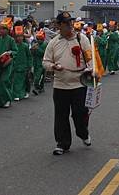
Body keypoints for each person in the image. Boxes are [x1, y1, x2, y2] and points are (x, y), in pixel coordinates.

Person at [42, 12, 93, 155]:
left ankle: (83, 133)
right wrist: (53, 67)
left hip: (79, 84)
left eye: (70, 22)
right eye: (65, 23)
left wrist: (91, 69)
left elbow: (90, 58)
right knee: (61, 115)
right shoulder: (53, 42)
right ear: (58, 25)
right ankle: (62, 143)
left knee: (80, 114)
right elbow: (45, 62)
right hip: (60, 85)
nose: (69, 25)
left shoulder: (81, 39)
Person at [0, 18, 17, 108]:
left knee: (4, 81)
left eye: (3, 29)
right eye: (0, 28)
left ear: (8, 30)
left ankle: (7, 99)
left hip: (8, 64)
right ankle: (0, 100)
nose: (1, 30)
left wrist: (10, 53)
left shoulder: (11, 40)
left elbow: (15, 51)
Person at [12, 27, 32, 101]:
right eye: (17, 36)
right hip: (15, 66)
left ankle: (24, 92)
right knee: (17, 81)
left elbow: (29, 56)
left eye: (21, 36)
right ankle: (17, 94)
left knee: (24, 80)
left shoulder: (25, 46)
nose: (19, 38)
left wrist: (29, 65)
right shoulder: (14, 45)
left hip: (24, 66)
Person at [31, 30, 47, 95]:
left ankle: (37, 88)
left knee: (39, 77)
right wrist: (32, 49)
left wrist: (37, 49)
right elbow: (32, 54)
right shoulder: (35, 44)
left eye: (40, 39)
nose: (38, 40)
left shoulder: (44, 45)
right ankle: (40, 88)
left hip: (42, 63)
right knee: (36, 76)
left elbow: (44, 54)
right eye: (38, 39)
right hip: (35, 63)